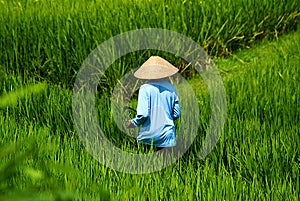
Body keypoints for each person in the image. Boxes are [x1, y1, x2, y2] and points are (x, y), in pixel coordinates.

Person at [126, 56, 180, 151]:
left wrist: (133, 123)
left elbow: (143, 115)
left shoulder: (144, 88)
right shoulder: (171, 88)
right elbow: (176, 114)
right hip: (168, 136)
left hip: (148, 136)